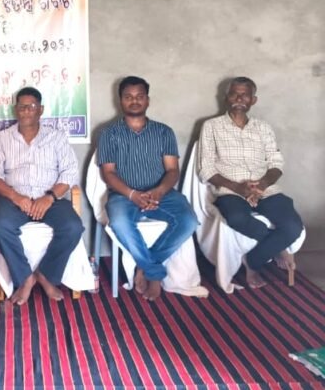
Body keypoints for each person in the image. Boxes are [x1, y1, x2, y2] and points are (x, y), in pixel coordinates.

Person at [97, 76, 198, 301]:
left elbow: (172, 170)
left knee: (189, 221)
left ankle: (145, 267)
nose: (134, 101)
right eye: (128, 97)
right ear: (120, 101)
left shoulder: (164, 132)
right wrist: (132, 194)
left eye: (139, 96)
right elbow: (108, 173)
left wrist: (159, 191)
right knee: (120, 222)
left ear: (148, 100)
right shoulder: (109, 134)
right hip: (124, 194)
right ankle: (154, 273)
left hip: (161, 192)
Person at [198, 76, 303, 288]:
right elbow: (205, 168)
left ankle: (252, 261)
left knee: (293, 227)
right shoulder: (211, 126)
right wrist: (239, 188)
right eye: (234, 94)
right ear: (227, 98)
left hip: (266, 189)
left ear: (253, 100)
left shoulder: (263, 128)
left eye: (245, 95)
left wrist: (262, 185)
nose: (239, 98)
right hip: (230, 190)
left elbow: (276, 163)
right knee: (237, 218)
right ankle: (277, 247)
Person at [0, 87, 84, 305]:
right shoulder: (1, 139)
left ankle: (46, 275)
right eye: (22, 107)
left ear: (41, 109)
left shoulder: (56, 138)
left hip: (50, 199)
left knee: (73, 227)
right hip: (15, 200)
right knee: (1, 226)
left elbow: (69, 173)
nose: (26, 111)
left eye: (31, 106)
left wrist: (49, 197)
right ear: (15, 110)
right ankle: (25, 278)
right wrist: (16, 197)